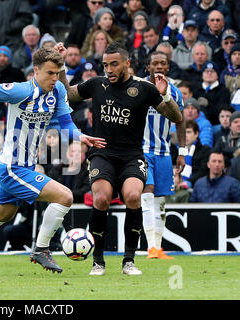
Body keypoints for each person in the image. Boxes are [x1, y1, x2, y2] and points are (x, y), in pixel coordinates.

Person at [0, 46, 106, 274]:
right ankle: (41, 249)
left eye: (57, 73)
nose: (55, 79)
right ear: (36, 71)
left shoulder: (57, 93)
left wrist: (82, 136)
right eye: (50, 73)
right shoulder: (20, 91)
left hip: (23, 166)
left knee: (2, 214)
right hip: (11, 167)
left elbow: (66, 125)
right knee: (64, 197)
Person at [56, 41, 182, 276]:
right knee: (101, 198)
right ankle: (98, 261)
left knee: (134, 196)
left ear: (127, 63)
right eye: (105, 65)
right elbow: (67, 93)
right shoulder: (97, 84)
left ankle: (129, 261)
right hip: (102, 153)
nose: (109, 69)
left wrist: (165, 96)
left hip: (132, 155)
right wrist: (62, 65)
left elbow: (176, 117)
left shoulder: (144, 89)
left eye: (114, 64)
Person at [141, 50, 186, 260]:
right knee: (147, 193)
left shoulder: (174, 92)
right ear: (148, 66)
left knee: (160, 200)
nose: (159, 66)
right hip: (141, 151)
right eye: (155, 63)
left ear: (168, 68)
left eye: (163, 63)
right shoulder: (138, 88)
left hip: (164, 153)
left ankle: (157, 248)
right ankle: (150, 247)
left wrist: (183, 152)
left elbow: (180, 121)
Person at [171, 120, 211, 189]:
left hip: (198, 187)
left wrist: (189, 182)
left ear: (196, 134)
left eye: (188, 132)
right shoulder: (177, 151)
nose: (185, 135)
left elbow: (203, 171)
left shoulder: (205, 150)